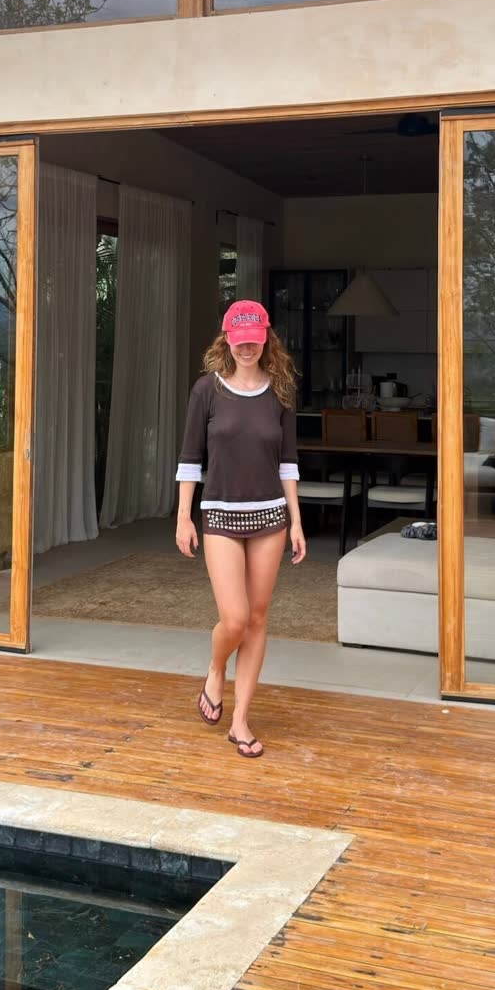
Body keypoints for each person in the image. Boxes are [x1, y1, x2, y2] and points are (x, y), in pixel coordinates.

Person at [175, 299, 306, 757]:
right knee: (234, 619)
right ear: (227, 340)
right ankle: (216, 670)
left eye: (254, 339)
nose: (247, 347)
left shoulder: (281, 393)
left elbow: (288, 463)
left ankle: (241, 721)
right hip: (220, 514)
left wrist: (296, 521)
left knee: (257, 618)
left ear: (266, 339)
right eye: (239, 340)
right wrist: (183, 516)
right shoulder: (206, 391)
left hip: (270, 516)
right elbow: (190, 459)